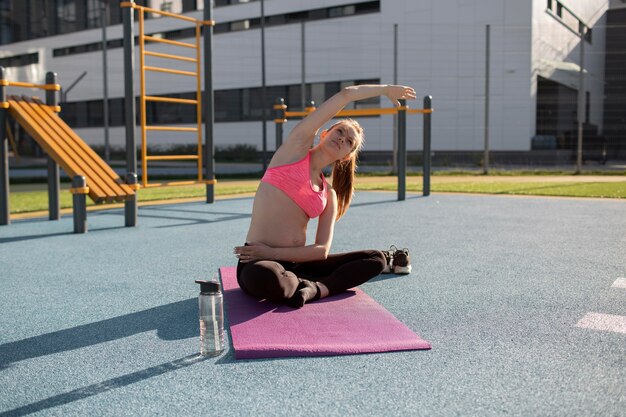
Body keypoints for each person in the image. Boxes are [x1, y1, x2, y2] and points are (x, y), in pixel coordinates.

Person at [233, 84, 417, 308]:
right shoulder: (293, 151)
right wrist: (385, 89)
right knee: (267, 278)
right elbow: (346, 94)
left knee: (375, 259)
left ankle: (316, 289)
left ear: (347, 157)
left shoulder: (329, 194)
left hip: (295, 264)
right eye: (340, 131)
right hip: (258, 260)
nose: (342, 139)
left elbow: (321, 251)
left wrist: (274, 251)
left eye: (349, 142)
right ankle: (307, 285)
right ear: (324, 133)